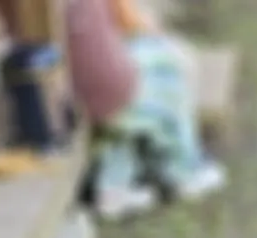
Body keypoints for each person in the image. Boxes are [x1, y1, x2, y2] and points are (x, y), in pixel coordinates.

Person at [65, 0, 225, 218]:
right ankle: (185, 168)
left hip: (67, 94)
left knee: (122, 93)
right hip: (105, 91)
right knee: (175, 61)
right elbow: (137, 24)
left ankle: (114, 185)